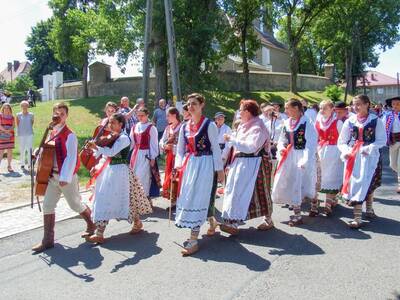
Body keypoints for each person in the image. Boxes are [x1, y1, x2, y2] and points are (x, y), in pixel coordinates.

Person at [32, 102, 95, 253]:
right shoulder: (51, 131)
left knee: (75, 204)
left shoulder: (70, 135)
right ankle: (48, 240)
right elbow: (45, 148)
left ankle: (91, 224)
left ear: (66, 116)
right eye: (56, 113)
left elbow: (71, 157)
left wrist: (65, 176)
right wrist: (37, 152)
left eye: (62, 114)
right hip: (51, 176)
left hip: (66, 177)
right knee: (48, 205)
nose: (58, 116)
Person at [85, 113, 152, 244]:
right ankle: (99, 233)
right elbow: (104, 155)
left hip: (121, 172)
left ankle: (137, 222)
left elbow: (111, 152)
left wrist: (97, 147)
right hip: (108, 171)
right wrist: (94, 154)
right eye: (109, 122)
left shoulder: (124, 138)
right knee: (103, 199)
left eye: (113, 123)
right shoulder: (111, 137)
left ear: (121, 124)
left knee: (128, 200)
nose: (110, 125)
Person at [174, 93, 224, 256]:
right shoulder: (184, 126)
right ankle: (212, 222)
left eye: (194, 103)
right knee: (194, 197)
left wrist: (220, 170)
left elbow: (216, 149)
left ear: (202, 105)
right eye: (188, 104)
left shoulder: (209, 125)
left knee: (198, 198)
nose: (190, 106)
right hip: (190, 165)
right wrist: (178, 165)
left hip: (206, 164)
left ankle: (193, 239)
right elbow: (180, 149)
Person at [220, 100, 274, 235]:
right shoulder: (244, 126)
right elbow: (237, 148)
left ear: (248, 112)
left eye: (241, 110)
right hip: (242, 162)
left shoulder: (258, 127)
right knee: (237, 191)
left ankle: (267, 220)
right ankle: (233, 223)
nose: (239, 113)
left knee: (259, 192)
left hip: (255, 164)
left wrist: (232, 139)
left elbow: (250, 147)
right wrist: (229, 162)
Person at [338, 95, 386, 228]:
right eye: (354, 104)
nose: (355, 107)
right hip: (354, 156)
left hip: (370, 156)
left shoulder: (375, 121)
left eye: (358, 104)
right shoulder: (350, 121)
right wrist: (346, 151)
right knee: (356, 184)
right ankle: (357, 218)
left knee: (368, 183)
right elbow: (342, 140)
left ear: (367, 104)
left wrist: (369, 148)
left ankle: (369, 209)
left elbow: (382, 140)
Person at [272, 98, 318, 226]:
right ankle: (298, 215)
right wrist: (281, 148)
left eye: (287, 108)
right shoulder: (286, 123)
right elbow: (281, 139)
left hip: (302, 154)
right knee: (292, 182)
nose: (285, 110)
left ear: (296, 108)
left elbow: (311, 143)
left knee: (306, 182)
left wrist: (305, 160)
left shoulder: (307, 123)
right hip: (289, 155)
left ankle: (314, 204)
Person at [310, 100, 343, 216]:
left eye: (324, 108)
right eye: (320, 108)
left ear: (331, 109)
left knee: (331, 176)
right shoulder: (318, 122)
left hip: (334, 152)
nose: (321, 110)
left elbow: (343, 139)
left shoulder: (337, 122)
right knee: (318, 176)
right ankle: (316, 204)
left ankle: (328, 205)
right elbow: (314, 137)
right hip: (320, 150)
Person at [129, 107, 159, 198]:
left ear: (147, 115)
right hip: (135, 155)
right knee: (133, 176)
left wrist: (153, 157)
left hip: (146, 155)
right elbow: (131, 142)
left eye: (142, 115)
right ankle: (136, 201)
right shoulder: (134, 127)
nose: (140, 117)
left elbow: (154, 144)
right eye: (138, 115)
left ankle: (145, 199)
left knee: (143, 177)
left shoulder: (151, 128)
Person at [159, 107, 182, 205]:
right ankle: (172, 200)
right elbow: (162, 140)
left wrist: (174, 147)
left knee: (177, 177)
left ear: (174, 115)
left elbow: (184, 145)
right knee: (169, 175)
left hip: (178, 157)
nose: (167, 118)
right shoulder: (168, 128)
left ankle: (177, 199)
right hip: (169, 157)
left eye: (168, 116)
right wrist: (164, 145)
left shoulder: (182, 127)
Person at [383, 96, 400, 193]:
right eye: (394, 104)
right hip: (393, 141)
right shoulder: (388, 115)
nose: (396, 106)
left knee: (399, 164)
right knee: (393, 164)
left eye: (398, 104)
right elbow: (382, 127)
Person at [16, 101, 34, 171]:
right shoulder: (18, 115)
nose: (24, 107)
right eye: (23, 105)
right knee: (22, 149)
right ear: (21, 107)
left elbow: (31, 123)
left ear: (28, 106)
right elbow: (18, 124)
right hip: (21, 134)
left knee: (29, 149)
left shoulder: (31, 115)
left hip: (29, 134)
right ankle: (22, 164)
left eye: (26, 105)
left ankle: (29, 164)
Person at [0, 103, 15, 172]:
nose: (6, 109)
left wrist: (9, 131)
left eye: (8, 108)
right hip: (2, 135)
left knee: (10, 151)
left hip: (10, 135)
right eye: (5, 108)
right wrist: (5, 131)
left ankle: (9, 166)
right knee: (1, 151)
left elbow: (13, 126)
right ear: (3, 108)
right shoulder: (0, 116)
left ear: (10, 109)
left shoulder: (12, 117)